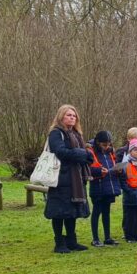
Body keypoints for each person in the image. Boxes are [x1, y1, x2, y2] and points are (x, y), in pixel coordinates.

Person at [44, 105, 94, 254]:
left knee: (71, 211)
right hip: (61, 178)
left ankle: (72, 241)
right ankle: (59, 242)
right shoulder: (55, 133)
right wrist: (81, 153)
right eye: (68, 115)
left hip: (76, 178)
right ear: (61, 117)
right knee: (59, 212)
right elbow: (60, 151)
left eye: (74, 115)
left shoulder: (76, 134)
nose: (72, 117)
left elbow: (84, 154)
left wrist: (86, 155)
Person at [87, 130, 121, 247]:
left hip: (108, 187)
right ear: (98, 142)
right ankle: (95, 238)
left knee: (106, 212)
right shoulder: (90, 152)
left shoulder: (110, 152)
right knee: (96, 212)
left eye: (108, 144)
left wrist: (118, 170)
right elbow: (87, 169)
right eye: (104, 145)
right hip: (97, 187)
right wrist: (99, 171)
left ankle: (107, 237)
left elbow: (114, 164)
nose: (106, 147)